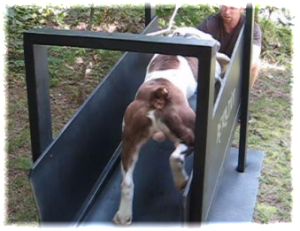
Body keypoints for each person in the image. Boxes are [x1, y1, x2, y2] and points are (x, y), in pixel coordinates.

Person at [197, 2, 262, 88]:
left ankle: (242, 98)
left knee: (255, 65)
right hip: (214, 61)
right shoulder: (210, 23)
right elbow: (196, 46)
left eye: (232, 8)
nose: (227, 12)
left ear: (241, 9)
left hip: (238, 63)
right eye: (224, 7)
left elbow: (253, 56)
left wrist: (232, 69)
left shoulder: (251, 27)